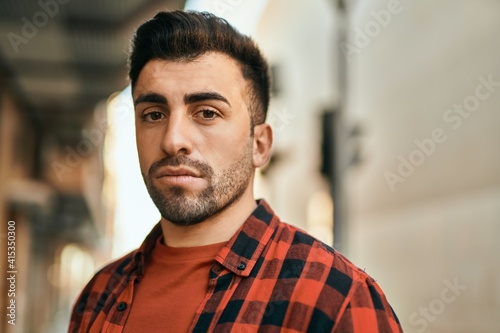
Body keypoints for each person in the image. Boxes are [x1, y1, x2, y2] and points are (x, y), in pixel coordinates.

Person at [69, 10, 402, 333]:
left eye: (207, 113)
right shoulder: (99, 295)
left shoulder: (335, 297)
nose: (173, 141)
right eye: (154, 114)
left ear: (259, 144)